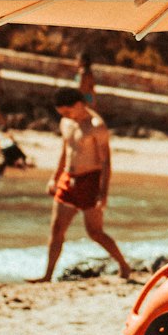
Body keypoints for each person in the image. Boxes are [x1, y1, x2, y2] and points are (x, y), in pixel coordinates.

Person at [43, 87, 132, 283]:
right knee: (57, 229)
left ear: (78, 104)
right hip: (68, 178)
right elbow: (65, 151)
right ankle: (47, 275)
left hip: (89, 181)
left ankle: (124, 266)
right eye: (62, 114)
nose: (66, 116)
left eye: (67, 112)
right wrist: (54, 177)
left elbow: (106, 162)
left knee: (95, 232)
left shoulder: (96, 126)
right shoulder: (66, 122)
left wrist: (103, 193)